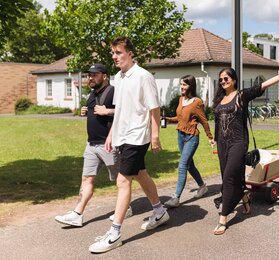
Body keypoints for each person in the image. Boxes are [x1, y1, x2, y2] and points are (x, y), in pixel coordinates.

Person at [89, 36, 169, 253]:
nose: (114, 57)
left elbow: (154, 108)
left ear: (130, 53)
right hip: (122, 135)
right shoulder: (118, 77)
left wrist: (155, 136)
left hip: (137, 136)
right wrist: (111, 134)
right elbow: (121, 109)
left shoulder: (143, 76)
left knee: (123, 181)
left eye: (119, 52)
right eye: (113, 53)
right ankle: (160, 211)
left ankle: (115, 233)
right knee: (141, 173)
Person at [212, 65, 279, 235]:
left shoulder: (242, 95)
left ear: (234, 80)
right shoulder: (219, 100)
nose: (223, 82)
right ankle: (243, 197)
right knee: (228, 175)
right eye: (220, 79)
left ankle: (223, 217)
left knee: (229, 176)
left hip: (238, 142)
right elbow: (218, 123)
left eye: (226, 78)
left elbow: (263, 86)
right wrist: (215, 140)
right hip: (223, 144)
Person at [54, 63, 132, 227]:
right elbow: (95, 112)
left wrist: (108, 111)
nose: (90, 78)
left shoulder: (113, 91)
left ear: (104, 76)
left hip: (109, 144)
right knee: (86, 179)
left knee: (121, 180)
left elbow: (127, 111)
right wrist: (86, 110)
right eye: (89, 75)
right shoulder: (92, 93)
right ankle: (77, 213)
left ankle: (127, 208)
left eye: (94, 75)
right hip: (91, 144)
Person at [163, 75, 215, 208]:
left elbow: (203, 120)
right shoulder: (181, 99)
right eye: (181, 84)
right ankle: (202, 187)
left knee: (182, 165)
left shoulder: (197, 102)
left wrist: (210, 137)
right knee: (190, 165)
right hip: (180, 135)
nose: (181, 87)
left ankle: (176, 198)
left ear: (191, 86)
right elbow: (181, 118)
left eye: (184, 85)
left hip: (192, 137)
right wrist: (168, 119)